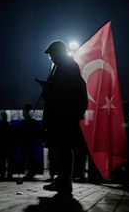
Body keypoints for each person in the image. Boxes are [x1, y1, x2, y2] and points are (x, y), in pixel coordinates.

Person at [37, 40, 87, 195]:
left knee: (63, 148)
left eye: (52, 54)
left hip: (63, 117)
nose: (51, 58)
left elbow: (65, 94)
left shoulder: (67, 68)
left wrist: (48, 90)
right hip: (61, 116)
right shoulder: (65, 67)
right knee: (61, 148)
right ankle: (63, 180)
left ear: (59, 52)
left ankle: (65, 181)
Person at [19, 103, 44, 181]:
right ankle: (30, 173)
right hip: (30, 142)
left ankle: (30, 173)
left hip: (28, 142)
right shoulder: (32, 122)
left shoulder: (26, 122)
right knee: (29, 158)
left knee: (29, 158)